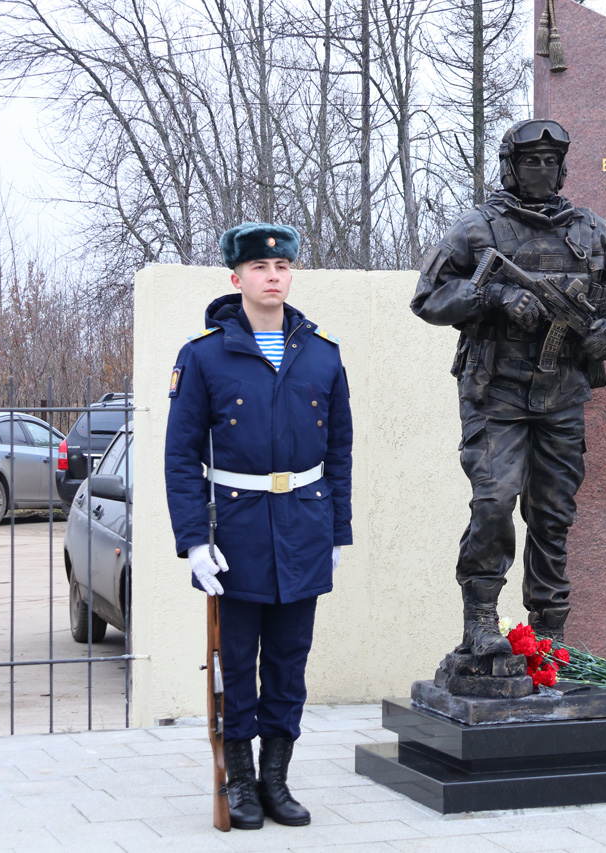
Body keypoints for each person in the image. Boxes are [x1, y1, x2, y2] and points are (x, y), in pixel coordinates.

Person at [410, 118, 606, 654]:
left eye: (550, 162)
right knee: (494, 500)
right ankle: (482, 620)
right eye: (530, 161)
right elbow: (428, 297)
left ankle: (549, 631)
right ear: (510, 168)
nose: (541, 170)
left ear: (562, 170)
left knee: (553, 512)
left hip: (562, 395)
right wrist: (491, 298)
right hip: (497, 394)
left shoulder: (591, 232)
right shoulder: (478, 230)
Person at [164, 223, 353, 829]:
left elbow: (341, 453)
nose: (274, 276)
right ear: (236, 278)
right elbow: (180, 456)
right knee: (237, 662)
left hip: (303, 526)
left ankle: (276, 780)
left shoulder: (322, 352)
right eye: (260, 268)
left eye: (283, 267)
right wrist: (194, 541)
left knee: (289, 663)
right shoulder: (204, 355)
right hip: (237, 534)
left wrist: (336, 532)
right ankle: (240, 782)